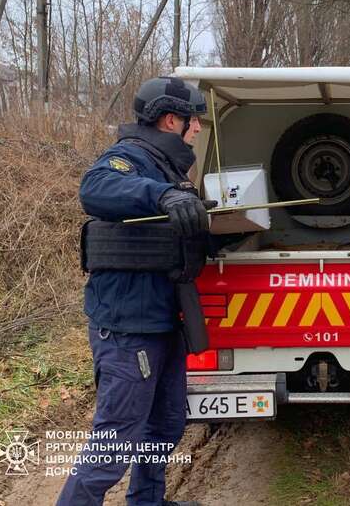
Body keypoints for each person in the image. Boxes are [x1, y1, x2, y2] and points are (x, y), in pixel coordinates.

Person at [57, 76, 215, 506]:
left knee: (164, 425)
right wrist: (163, 195)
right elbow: (96, 189)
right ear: (170, 121)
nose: (197, 129)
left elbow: (172, 235)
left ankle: (147, 501)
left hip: (163, 321)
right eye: (193, 120)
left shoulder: (169, 170)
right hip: (128, 328)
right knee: (114, 446)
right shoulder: (129, 158)